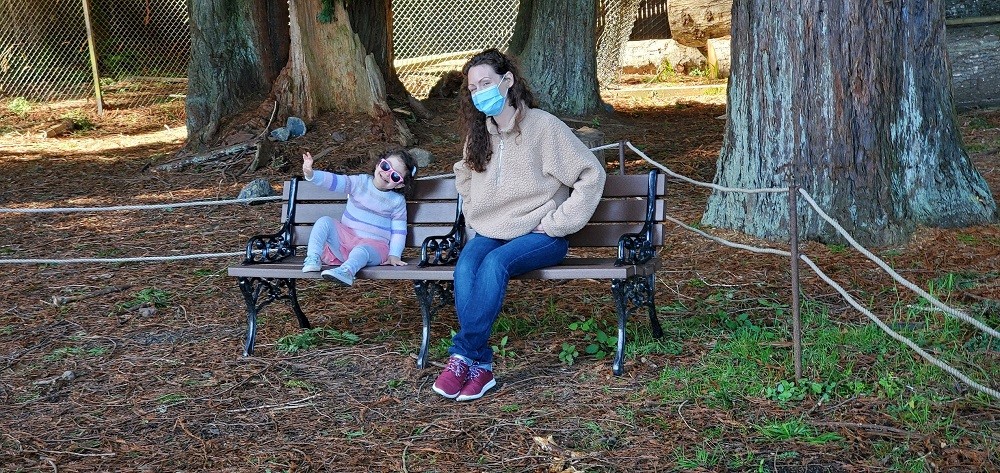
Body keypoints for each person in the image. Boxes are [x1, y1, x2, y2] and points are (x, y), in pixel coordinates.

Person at [432, 49, 608, 401]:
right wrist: (474, 214)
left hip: (541, 235)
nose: (479, 91)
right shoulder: (480, 133)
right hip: (492, 230)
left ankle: (463, 354)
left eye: (486, 83)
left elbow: (592, 173)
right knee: (466, 265)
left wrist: (559, 222)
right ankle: (480, 366)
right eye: (473, 87)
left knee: (496, 265)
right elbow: (464, 175)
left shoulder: (544, 127)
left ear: (507, 81)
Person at [300, 149, 418, 286]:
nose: (387, 174)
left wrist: (395, 254)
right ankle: (313, 258)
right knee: (324, 221)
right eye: (386, 166)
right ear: (378, 164)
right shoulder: (360, 182)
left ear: (400, 184)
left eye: (395, 176)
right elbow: (336, 181)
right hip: (346, 241)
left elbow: (399, 231)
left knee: (361, 250)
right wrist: (312, 174)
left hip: (373, 247)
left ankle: (346, 271)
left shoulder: (397, 201)